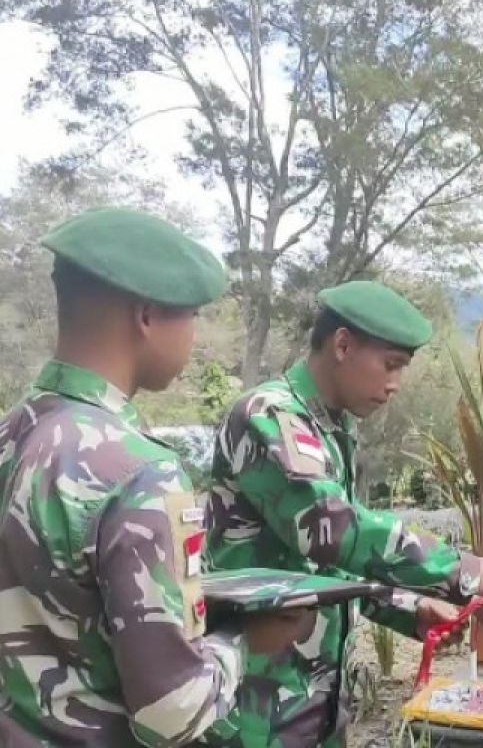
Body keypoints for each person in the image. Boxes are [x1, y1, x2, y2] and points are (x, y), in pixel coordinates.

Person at [0, 206, 307, 746]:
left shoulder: (11, 436)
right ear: (146, 316)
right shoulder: (139, 471)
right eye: (191, 315)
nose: (195, 335)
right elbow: (173, 712)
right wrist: (247, 642)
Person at [205, 279, 483, 746]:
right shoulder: (270, 417)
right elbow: (332, 530)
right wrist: (467, 570)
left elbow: (331, 568)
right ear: (342, 344)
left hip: (314, 693)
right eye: (390, 365)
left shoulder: (333, 428)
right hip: (258, 697)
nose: (395, 385)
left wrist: (409, 610)